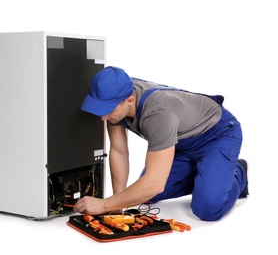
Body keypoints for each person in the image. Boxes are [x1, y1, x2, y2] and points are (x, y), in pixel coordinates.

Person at [74, 66, 248, 221]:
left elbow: (154, 183)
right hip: (181, 142)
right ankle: (208, 176)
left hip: (217, 134)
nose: (103, 118)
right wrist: (116, 204)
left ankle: (238, 171)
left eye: (108, 111)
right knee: (141, 196)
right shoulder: (116, 94)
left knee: (207, 209)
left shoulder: (157, 113)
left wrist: (104, 205)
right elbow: (119, 151)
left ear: (130, 101)